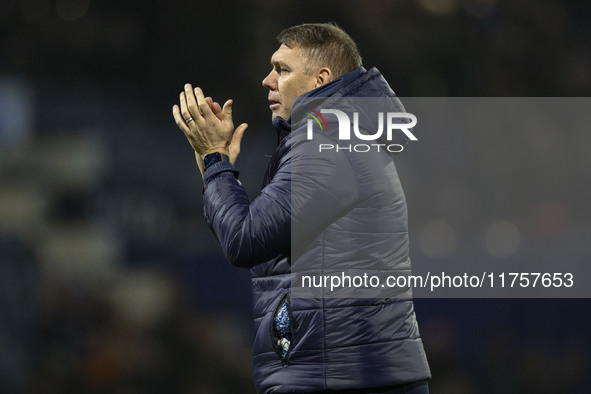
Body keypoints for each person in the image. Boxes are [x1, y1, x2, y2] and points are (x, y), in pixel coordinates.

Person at [172, 23, 430, 394]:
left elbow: (245, 241)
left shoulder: (329, 144)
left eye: (282, 69)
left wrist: (216, 163)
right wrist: (217, 174)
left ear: (320, 79)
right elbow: (256, 238)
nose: (266, 80)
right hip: (349, 372)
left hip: (341, 376)